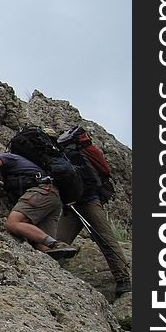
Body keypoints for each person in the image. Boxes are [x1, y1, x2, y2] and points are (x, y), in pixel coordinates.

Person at [56, 127, 132, 296]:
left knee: (105, 238)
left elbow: (90, 180)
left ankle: (123, 279)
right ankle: (54, 273)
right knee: (59, 241)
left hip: (88, 200)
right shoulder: (66, 154)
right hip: (75, 203)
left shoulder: (71, 154)